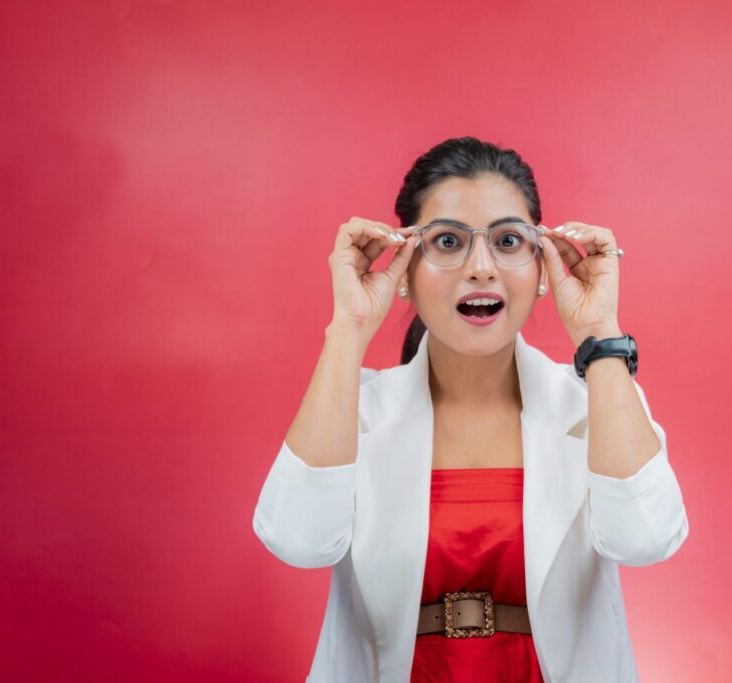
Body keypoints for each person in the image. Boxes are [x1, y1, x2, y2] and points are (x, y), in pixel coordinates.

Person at [252, 136, 689, 682]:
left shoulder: (593, 401)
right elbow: (298, 541)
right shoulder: (354, 409)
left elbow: (645, 540)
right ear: (405, 272)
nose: (481, 267)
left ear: (543, 268)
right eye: (448, 241)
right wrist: (348, 330)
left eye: (508, 240)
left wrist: (600, 334)